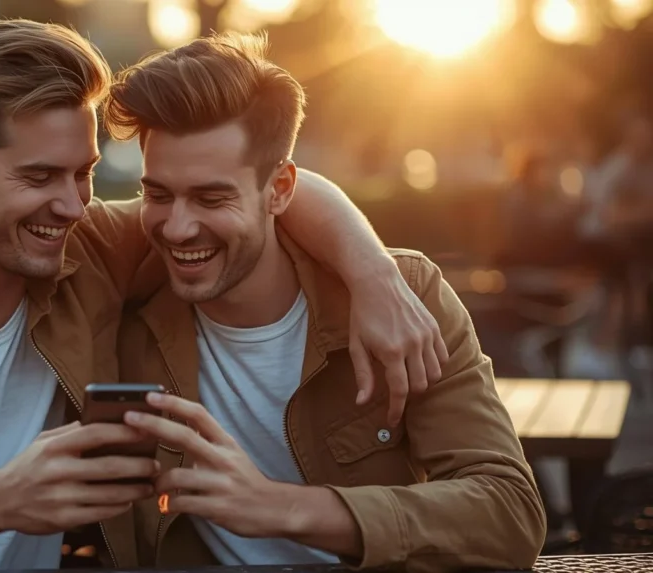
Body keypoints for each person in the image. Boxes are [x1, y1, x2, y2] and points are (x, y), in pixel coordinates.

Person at [0, 20, 446, 573]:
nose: (75, 205)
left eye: (87, 174)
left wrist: (373, 271)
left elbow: (256, 190)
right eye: (40, 176)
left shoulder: (91, 252)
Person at [105, 32, 546, 572]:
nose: (176, 227)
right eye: (157, 194)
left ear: (281, 189)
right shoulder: (119, 294)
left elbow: (509, 515)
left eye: (212, 197)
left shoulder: (407, 298)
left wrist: (283, 508)